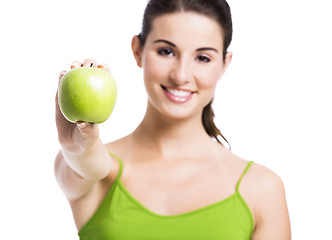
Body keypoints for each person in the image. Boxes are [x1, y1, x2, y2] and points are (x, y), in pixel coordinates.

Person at [54, 0, 291, 239]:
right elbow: (85, 164)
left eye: (203, 58)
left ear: (224, 64)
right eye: (166, 52)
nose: (181, 75)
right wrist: (77, 146)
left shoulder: (262, 189)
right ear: (137, 50)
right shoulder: (99, 174)